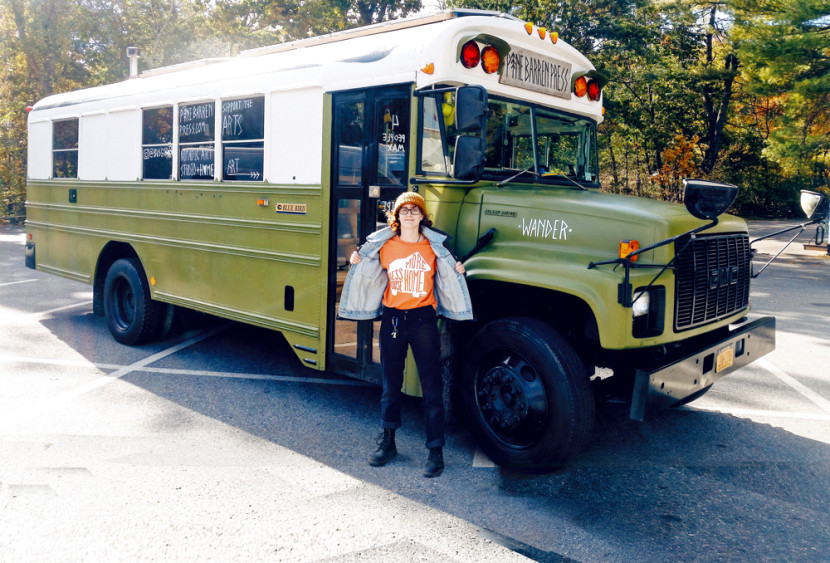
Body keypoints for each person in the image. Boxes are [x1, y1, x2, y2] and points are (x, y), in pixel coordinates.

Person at [339, 191, 473, 478]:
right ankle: (388, 443)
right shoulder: (385, 245)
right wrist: (356, 260)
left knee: (431, 387)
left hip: (424, 319)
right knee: (390, 385)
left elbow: (450, 272)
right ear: (396, 216)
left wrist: (458, 268)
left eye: (415, 209)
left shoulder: (435, 247)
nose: (409, 214)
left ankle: (435, 451)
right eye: (404, 210)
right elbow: (367, 269)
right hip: (393, 319)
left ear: (423, 215)